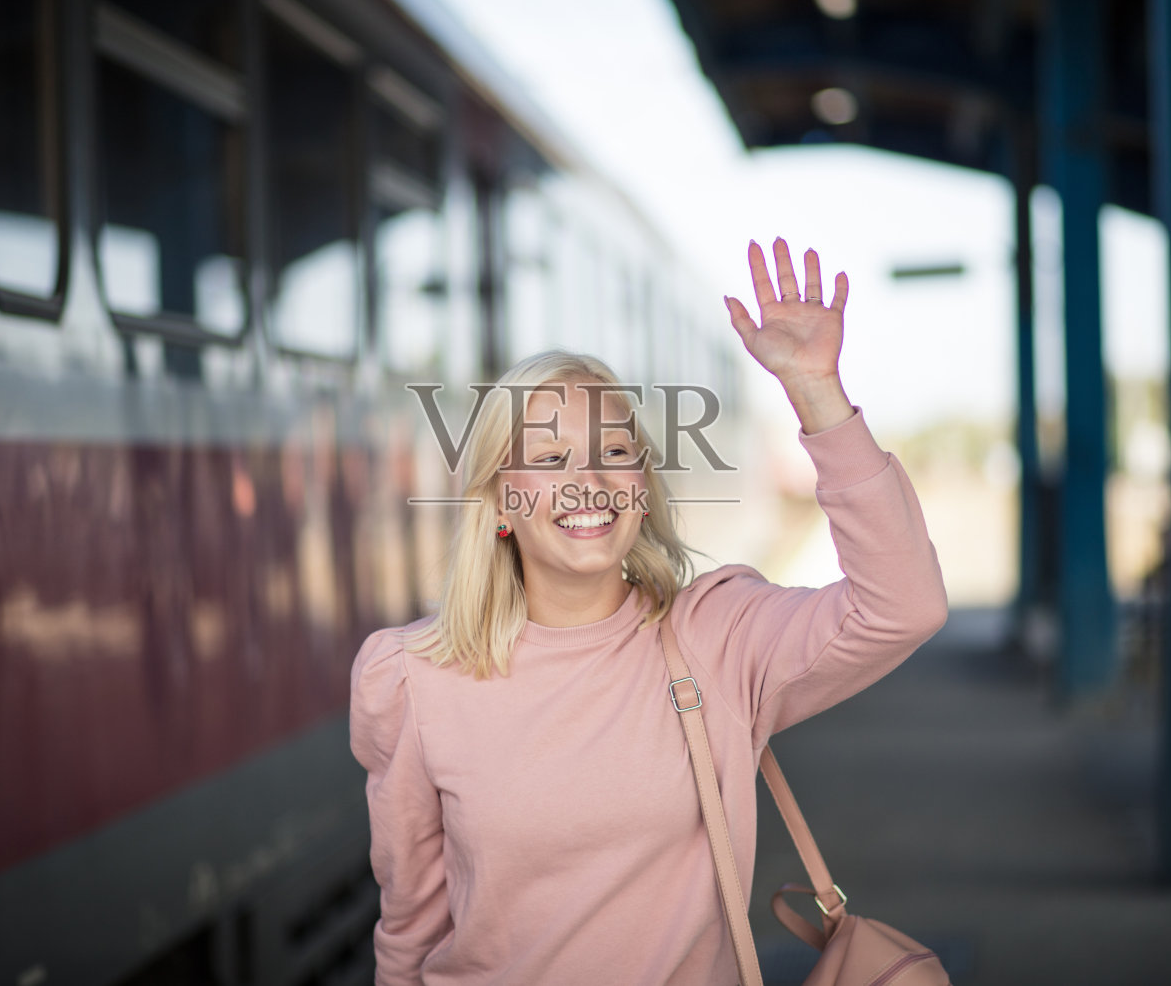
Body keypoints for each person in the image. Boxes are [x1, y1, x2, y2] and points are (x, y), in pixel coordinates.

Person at [350, 239, 948, 984]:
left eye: (614, 449)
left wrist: (816, 390)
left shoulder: (716, 640)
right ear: (503, 500)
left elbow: (905, 606)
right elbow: (410, 931)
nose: (590, 480)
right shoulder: (416, 680)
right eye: (551, 458)